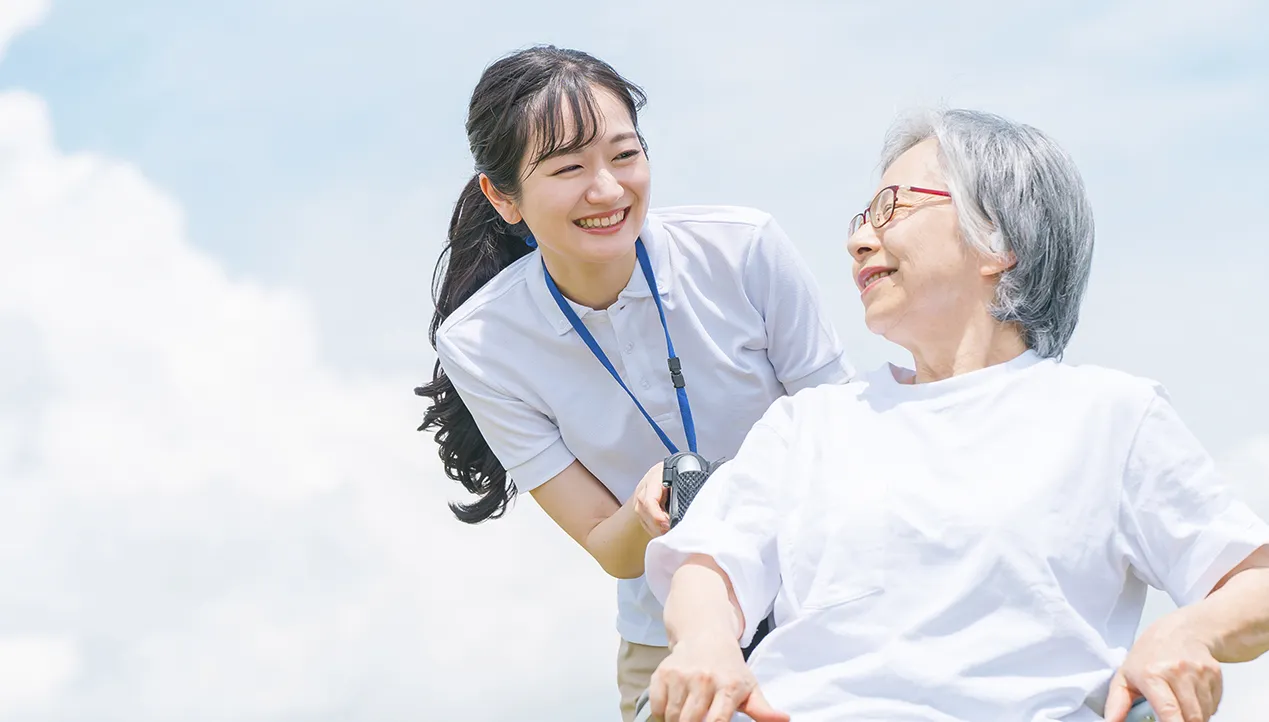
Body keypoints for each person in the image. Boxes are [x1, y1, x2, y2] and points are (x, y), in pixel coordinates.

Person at [641, 108, 1269, 722]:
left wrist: (1187, 631)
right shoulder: (808, 424)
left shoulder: (1109, 418)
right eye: (863, 217)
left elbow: (1254, 579)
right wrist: (707, 644)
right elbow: (710, 564)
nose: (858, 239)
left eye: (892, 209)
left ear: (998, 241)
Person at [413, 45, 853, 721]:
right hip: (666, 639)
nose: (609, 190)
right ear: (502, 197)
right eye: (568, 168)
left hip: (825, 598)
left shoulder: (745, 249)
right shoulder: (480, 343)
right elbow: (605, 545)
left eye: (624, 155)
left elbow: (845, 443)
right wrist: (642, 514)